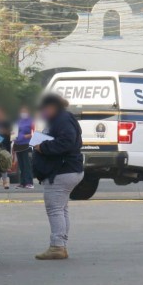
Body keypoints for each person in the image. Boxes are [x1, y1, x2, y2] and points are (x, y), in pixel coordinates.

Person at [32, 94, 84, 260]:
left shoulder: (62, 119)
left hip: (62, 170)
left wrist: (43, 147)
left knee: (54, 209)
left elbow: (67, 141)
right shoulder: (61, 119)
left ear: (52, 107)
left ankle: (57, 246)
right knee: (61, 209)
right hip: (66, 170)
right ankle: (60, 244)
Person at [13, 106, 34, 189]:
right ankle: (23, 182)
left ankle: (29, 182)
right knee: (21, 165)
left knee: (27, 165)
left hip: (27, 145)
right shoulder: (17, 121)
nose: (23, 113)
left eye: (24, 111)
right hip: (18, 146)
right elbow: (13, 133)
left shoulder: (31, 121)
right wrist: (18, 137)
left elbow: (34, 133)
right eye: (22, 111)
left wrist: (24, 136)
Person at [0, 107, 12, 190]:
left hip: (4, 146)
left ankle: (5, 182)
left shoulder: (6, 122)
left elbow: (9, 132)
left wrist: (2, 131)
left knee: (3, 164)